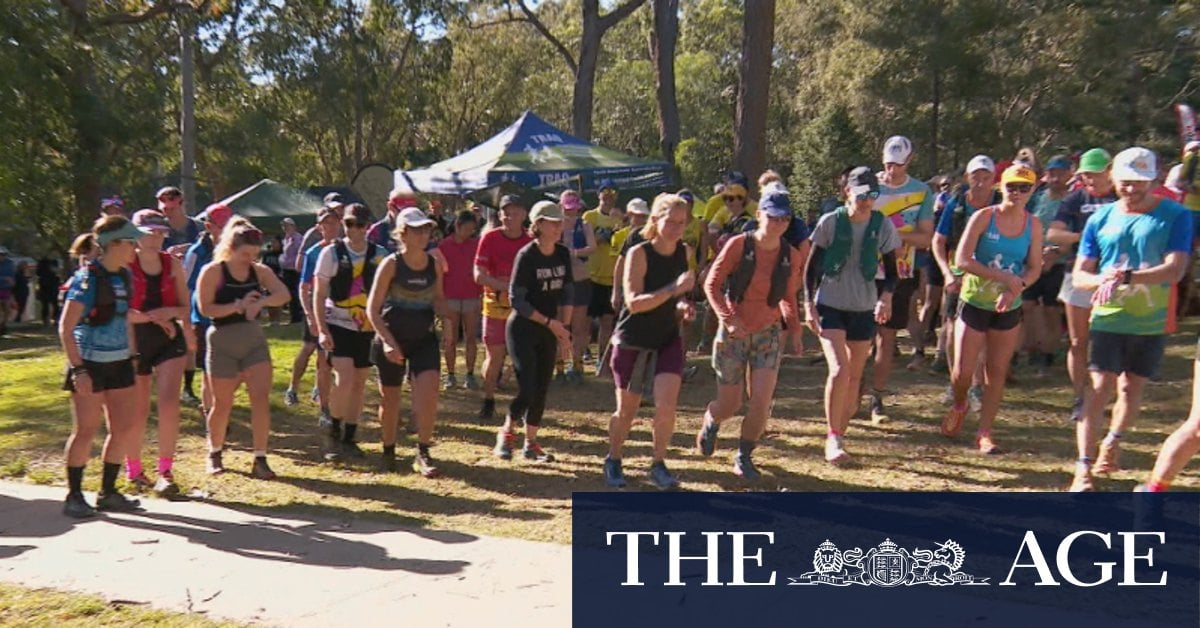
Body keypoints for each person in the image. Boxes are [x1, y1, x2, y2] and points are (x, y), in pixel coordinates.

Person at [1069, 147, 1193, 491]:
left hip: (1150, 321)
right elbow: (1081, 276)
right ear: (1113, 179)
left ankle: (1113, 439)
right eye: (1125, 182)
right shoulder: (1100, 219)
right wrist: (1105, 280)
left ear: (1154, 180)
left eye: (1140, 182)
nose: (1132, 189)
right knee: (1097, 390)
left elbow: (1176, 269)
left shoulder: (1175, 216)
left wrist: (1128, 278)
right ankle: (1082, 468)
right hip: (1108, 318)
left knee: (1130, 387)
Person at [696, 192, 805, 478]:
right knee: (731, 403)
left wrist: (795, 330)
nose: (778, 224)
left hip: (767, 333)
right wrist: (729, 320)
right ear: (759, 216)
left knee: (761, 401)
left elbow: (788, 296)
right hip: (734, 333)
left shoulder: (790, 256)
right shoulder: (738, 245)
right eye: (772, 217)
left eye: (784, 219)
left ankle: (744, 454)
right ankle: (712, 419)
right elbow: (711, 284)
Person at [941, 165, 1044, 454]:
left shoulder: (1034, 225)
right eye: (1012, 186)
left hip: (1008, 307)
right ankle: (960, 403)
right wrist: (1003, 278)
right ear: (1002, 187)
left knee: (996, 371)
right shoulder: (984, 217)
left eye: (1024, 188)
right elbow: (962, 259)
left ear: (1033, 190)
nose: (1018, 193)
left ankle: (985, 432)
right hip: (975, 301)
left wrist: (1018, 285)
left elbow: (1035, 267)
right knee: (962, 372)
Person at [805, 167, 901, 463]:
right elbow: (810, 270)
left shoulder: (882, 225)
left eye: (872, 195)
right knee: (839, 370)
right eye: (861, 194)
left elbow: (893, 273)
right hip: (831, 304)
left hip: (863, 307)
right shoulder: (830, 222)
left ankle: (840, 436)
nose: (866, 200)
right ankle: (832, 437)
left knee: (855, 376)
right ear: (847, 192)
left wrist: (885, 297)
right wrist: (808, 304)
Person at [59, 216, 150, 517]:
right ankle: (74, 495)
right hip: (89, 363)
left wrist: (133, 357)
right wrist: (78, 369)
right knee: (86, 430)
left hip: (120, 361)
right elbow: (66, 327)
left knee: (123, 428)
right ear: (114, 245)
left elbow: (125, 319)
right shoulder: (87, 279)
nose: (135, 248)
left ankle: (108, 492)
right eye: (131, 242)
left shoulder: (123, 275)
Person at [604, 194, 695, 489]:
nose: (676, 229)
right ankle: (614, 458)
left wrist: (683, 307)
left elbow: (675, 298)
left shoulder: (683, 252)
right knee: (627, 410)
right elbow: (634, 303)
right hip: (632, 340)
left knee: (667, 406)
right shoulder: (639, 253)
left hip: (667, 337)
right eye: (671, 222)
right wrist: (673, 290)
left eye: (682, 223)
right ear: (655, 220)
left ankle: (658, 463)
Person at [196, 217, 291, 478]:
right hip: (221, 340)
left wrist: (260, 303)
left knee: (259, 399)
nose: (249, 259)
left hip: (252, 340)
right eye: (244, 254)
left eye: (254, 254)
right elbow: (205, 308)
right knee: (222, 403)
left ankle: (260, 457)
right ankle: (214, 452)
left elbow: (284, 295)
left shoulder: (259, 271)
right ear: (230, 248)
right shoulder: (213, 271)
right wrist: (237, 305)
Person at [367, 207, 446, 476]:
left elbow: (438, 299)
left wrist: (449, 322)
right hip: (392, 338)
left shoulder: (434, 264)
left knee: (429, 394)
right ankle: (388, 451)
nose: (424, 234)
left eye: (426, 229)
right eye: (417, 230)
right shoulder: (391, 264)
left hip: (424, 339)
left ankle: (423, 452)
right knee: (390, 400)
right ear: (403, 234)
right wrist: (388, 343)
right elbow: (372, 309)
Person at [494, 201, 573, 462]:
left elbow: (568, 294)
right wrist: (552, 324)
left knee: (541, 388)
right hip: (522, 329)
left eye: (560, 221)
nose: (558, 226)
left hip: (550, 330)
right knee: (526, 387)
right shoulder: (527, 256)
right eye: (552, 222)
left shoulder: (563, 254)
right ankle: (507, 433)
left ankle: (531, 443)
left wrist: (565, 331)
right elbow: (518, 299)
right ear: (538, 224)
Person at [122, 210, 193, 496]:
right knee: (137, 409)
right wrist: (153, 317)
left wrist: (168, 314)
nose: (155, 238)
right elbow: (121, 312)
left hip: (168, 338)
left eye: (160, 232)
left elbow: (186, 308)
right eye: (149, 232)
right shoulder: (126, 264)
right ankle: (134, 469)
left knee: (168, 404)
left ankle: (165, 470)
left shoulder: (172, 264)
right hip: (134, 340)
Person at [1047, 148, 1117, 421]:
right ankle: (1079, 395)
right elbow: (1054, 233)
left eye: (1094, 173)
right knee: (1078, 342)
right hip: (1078, 274)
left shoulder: (1120, 196)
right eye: (1085, 174)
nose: (1088, 179)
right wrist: (1085, 236)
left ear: (1108, 171)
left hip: (1115, 278)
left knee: (1109, 340)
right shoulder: (1076, 198)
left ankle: (1107, 395)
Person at [314, 203, 387, 461]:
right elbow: (320, 293)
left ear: (368, 226)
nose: (353, 230)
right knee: (343, 377)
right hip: (339, 324)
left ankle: (349, 437)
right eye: (348, 224)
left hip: (367, 328)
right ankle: (333, 429)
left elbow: (387, 290)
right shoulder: (331, 253)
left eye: (358, 224)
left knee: (358, 381)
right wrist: (322, 330)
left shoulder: (380, 255)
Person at [868, 136, 934, 421]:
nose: (892, 170)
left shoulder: (921, 192)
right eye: (887, 164)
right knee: (858, 337)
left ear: (909, 161)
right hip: (863, 272)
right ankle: (851, 391)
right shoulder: (870, 186)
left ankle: (877, 397)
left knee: (886, 337)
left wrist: (894, 236)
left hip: (900, 273)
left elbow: (926, 237)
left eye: (897, 164)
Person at [931, 156, 1001, 398]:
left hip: (992, 276)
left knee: (982, 334)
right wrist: (947, 273)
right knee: (951, 329)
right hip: (959, 275)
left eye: (986, 178)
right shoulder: (956, 204)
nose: (980, 183)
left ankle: (977, 385)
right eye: (975, 177)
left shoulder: (1001, 204)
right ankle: (956, 382)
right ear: (967, 178)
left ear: (994, 180)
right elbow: (938, 241)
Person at [474, 195, 532, 420]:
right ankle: (488, 399)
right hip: (495, 306)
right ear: (499, 215)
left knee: (523, 358)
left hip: (522, 308)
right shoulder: (489, 238)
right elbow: (478, 275)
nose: (510, 217)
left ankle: (522, 404)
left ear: (524, 216)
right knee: (495, 356)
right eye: (506, 212)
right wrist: (503, 286)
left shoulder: (529, 241)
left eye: (515, 213)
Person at [1020, 155, 1073, 375]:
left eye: (1060, 173)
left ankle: (1048, 357)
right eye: (1052, 173)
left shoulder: (1073, 201)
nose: (1055, 178)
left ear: (1069, 174)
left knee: (1052, 310)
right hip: (1032, 260)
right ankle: (1030, 349)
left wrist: (1057, 252)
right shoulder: (1037, 198)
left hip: (1060, 262)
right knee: (1027, 306)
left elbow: (1078, 232)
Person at [287, 205, 339, 422]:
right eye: (326, 223)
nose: (331, 226)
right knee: (309, 348)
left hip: (336, 311)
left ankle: (325, 400)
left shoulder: (344, 249)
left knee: (326, 357)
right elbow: (304, 286)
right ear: (319, 227)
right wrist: (309, 313)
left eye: (334, 222)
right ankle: (293, 388)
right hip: (315, 310)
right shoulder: (313, 252)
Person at [183, 204, 234, 411]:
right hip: (203, 319)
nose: (227, 230)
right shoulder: (196, 252)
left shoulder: (235, 250)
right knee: (208, 370)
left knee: (227, 370)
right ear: (208, 226)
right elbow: (185, 289)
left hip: (229, 317)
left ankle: (220, 411)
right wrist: (186, 325)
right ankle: (210, 415)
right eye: (222, 226)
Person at [438, 210, 483, 390]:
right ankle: (450, 374)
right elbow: (439, 273)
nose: (468, 233)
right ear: (457, 226)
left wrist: (480, 294)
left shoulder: (475, 245)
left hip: (471, 296)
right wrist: (440, 299)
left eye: (472, 230)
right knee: (450, 338)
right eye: (466, 229)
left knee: (471, 337)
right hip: (450, 298)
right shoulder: (444, 246)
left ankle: (470, 374)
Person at [583, 180, 624, 377]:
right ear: (598, 194)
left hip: (611, 277)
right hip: (591, 276)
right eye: (604, 192)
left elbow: (624, 241)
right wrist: (608, 231)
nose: (608, 195)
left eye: (612, 192)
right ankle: (580, 358)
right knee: (585, 320)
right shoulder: (590, 216)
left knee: (607, 322)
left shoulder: (621, 217)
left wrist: (621, 223)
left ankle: (603, 361)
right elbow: (592, 241)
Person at [557, 189, 597, 384]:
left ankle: (577, 363)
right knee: (561, 324)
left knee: (579, 326)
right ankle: (559, 366)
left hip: (581, 279)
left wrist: (572, 253)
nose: (570, 213)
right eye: (567, 209)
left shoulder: (585, 225)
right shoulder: (556, 225)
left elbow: (593, 247)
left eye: (573, 209)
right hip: (561, 281)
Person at [156, 186, 202, 256]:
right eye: (165, 209)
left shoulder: (200, 227)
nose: (168, 212)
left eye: (172, 209)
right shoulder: (158, 230)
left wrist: (190, 247)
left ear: (181, 204)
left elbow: (211, 247)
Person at [369, 187, 418, 253]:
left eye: (412, 210)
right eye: (402, 211)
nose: (408, 215)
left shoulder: (420, 229)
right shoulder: (377, 232)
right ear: (390, 207)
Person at [279, 217, 305, 324]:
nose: (285, 228)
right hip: (286, 271)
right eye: (283, 226)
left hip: (295, 271)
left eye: (287, 225)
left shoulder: (298, 239)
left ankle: (298, 317)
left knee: (295, 294)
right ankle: (293, 316)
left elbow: (301, 253)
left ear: (293, 226)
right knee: (289, 294)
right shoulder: (286, 239)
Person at [37, 256, 60, 326]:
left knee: (51, 304)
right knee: (48, 304)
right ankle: (49, 319)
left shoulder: (52, 262)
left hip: (49, 285)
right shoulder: (43, 263)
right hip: (47, 286)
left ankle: (52, 319)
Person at [0, 246, 14, 335]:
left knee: (7, 310)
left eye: (4, 255)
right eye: (1, 255)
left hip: (6, 289)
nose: (2, 256)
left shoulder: (9, 263)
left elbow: (12, 275)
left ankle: (3, 326)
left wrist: (12, 281)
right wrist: (5, 278)